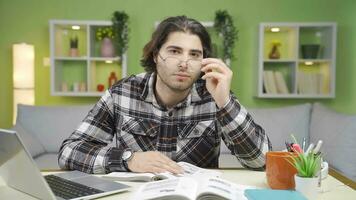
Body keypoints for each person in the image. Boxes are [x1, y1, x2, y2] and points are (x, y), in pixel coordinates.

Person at [58, 16, 272, 174]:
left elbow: (263, 161)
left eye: (194, 54)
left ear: (203, 61)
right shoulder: (123, 93)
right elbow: (68, 152)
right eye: (174, 51)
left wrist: (225, 103)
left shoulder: (215, 95)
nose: (184, 63)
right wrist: (128, 159)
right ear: (156, 55)